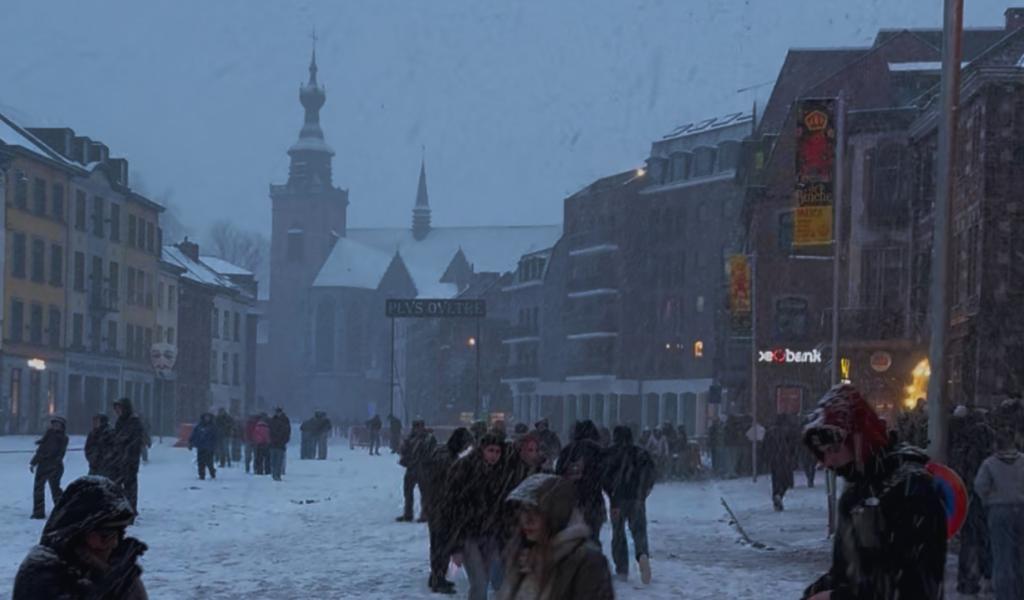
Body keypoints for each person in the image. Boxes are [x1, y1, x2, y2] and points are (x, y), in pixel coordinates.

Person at [801, 384, 946, 600]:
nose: (828, 462)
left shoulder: (911, 488)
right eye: (822, 454)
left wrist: (838, 598)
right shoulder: (855, 492)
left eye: (834, 449)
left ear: (860, 439)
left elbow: (915, 586)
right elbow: (845, 571)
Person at [12, 475, 148, 600]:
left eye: (120, 534)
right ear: (78, 535)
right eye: (104, 536)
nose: (114, 543)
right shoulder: (43, 575)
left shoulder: (121, 568)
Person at [496, 473, 614, 600]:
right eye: (524, 510)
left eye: (536, 511)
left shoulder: (586, 561)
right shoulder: (522, 557)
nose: (527, 520)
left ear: (556, 513)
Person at [446, 432, 507, 600]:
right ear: (482, 450)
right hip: (468, 535)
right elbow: (454, 509)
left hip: (490, 534)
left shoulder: (499, 473)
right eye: (490, 450)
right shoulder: (465, 469)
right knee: (479, 582)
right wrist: (456, 547)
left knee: (486, 581)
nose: (494, 455)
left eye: (497, 452)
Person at [974, 426, 1024, 600]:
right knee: (1020, 554)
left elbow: (980, 486)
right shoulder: (1023, 461)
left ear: (996, 444)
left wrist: (989, 501)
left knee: (1002, 556)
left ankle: (1005, 595)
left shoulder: (990, 464)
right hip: (1022, 509)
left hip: (999, 511)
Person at [421, 427, 474, 594]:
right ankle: (438, 580)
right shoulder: (448, 460)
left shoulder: (441, 453)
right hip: (442, 508)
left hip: (434, 505)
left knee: (437, 544)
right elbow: (450, 486)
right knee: (441, 544)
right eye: (465, 445)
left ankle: (436, 577)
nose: (466, 449)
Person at [950, 405, 995, 594]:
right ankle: (984, 576)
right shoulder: (983, 442)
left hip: (968, 495)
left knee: (971, 541)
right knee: (982, 539)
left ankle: (969, 580)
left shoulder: (960, 442)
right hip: (981, 498)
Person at [602, 424, 655, 583]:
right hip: (636, 499)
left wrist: (611, 493)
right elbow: (650, 475)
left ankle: (622, 569)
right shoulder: (641, 453)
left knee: (618, 534)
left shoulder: (610, 454)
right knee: (639, 530)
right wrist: (642, 494)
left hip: (617, 499)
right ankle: (642, 554)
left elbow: (604, 477)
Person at [555, 420, 607, 545]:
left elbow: (558, 475)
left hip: (572, 501)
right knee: (593, 537)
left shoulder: (567, 451)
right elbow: (606, 476)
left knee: (573, 540)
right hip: (594, 501)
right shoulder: (598, 451)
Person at [30, 416, 69, 519]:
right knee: (39, 489)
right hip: (43, 465)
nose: (55, 426)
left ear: (62, 426)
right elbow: (41, 450)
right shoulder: (48, 434)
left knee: (55, 489)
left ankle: (62, 510)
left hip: (54, 466)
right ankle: (39, 512)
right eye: (54, 424)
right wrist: (34, 462)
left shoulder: (62, 438)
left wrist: (51, 462)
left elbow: (56, 452)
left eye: (58, 424)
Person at [111, 398, 145, 512]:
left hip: (130, 460)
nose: (118, 411)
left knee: (130, 485)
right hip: (119, 458)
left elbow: (135, 441)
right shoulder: (120, 421)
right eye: (116, 408)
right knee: (116, 484)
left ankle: (131, 509)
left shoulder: (134, 422)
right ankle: (121, 508)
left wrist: (127, 454)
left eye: (120, 408)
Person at [397, 420, 435, 522]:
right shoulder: (410, 438)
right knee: (408, 491)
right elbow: (404, 451)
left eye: (418, 426)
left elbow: (431, 453)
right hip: (411, 467)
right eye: (415, 426)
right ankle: (408, 513)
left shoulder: (428, 438)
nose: (416, 429)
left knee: (425, 492)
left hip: (423, 468)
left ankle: (425, 514)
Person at [762, 413, 798, 511]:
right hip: (785, 459)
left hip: (774, 458)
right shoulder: (789, 431)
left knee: (776, 479)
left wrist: (766, 457)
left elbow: (764, 446)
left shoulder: (770, 431)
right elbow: (793, 446)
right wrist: (793, 457)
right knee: (785, 480)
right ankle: (779, 494)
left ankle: (776, 495)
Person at [188, 413, 218, 480]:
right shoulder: (199, 426)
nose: (207, 418)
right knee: (200, 462)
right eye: (205, 417)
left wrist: (215, 446)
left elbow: (215, 437)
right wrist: (190, 443)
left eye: (208, 417)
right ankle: (201, 475)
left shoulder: (213, 427)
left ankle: (212, 473)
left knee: (209, 462)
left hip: (209, 447)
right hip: (200, 446)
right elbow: (194, 435)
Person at [269, 408, 291, 481]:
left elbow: (287, 431)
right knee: (273, 461)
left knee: (279, 461)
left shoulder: (285, 420)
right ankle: (274, 474)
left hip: (280, 444)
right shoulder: (273, 420)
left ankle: (277, 475)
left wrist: (285, 440)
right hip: (273, 443)